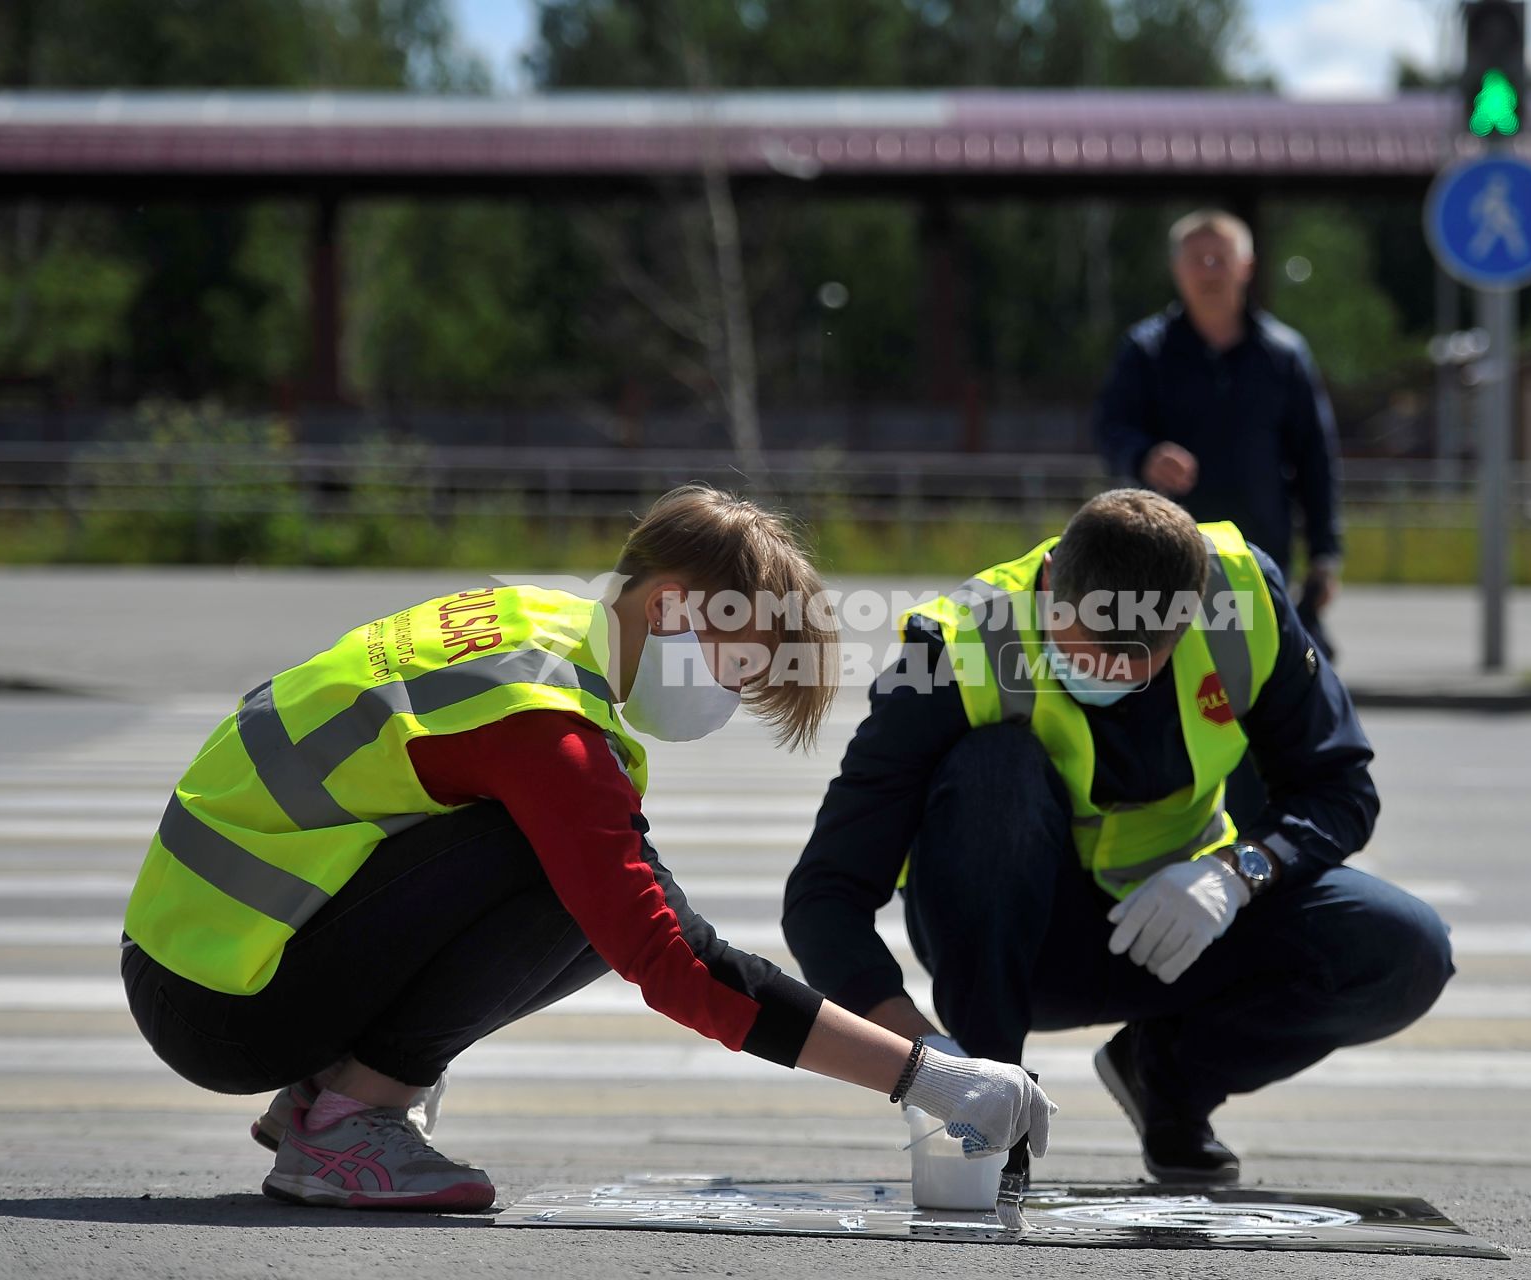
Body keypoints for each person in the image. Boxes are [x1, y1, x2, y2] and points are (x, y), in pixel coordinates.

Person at [120, 484, 1055, 1213]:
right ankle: (351, 1122)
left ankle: (331, 1093)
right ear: (681, 606)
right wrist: (923, 1076)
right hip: (222, 1000)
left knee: (596, 883)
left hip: (209, 957)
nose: (731, 702)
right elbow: (673, 958)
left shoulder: (539, 625)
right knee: (574, 880)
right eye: (740, 670)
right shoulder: (547, 723)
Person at [782, 489, 1450, 1184]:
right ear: (1050, 594)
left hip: (1180, 927)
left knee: (1405, 948)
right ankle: (992, 1113)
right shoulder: (959, 649)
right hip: (1023, 951)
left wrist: (1237, 870)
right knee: (994, 768)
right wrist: (929, 1064)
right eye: (1093, 655)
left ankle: (1167, 1082)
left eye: (1143, 663)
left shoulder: (1242, 601)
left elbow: (1340, 785)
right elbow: (824, 898)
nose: (1115, 678)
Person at [1093, 209, 1344, 663]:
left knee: (1260, 688)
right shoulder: (1145, 351)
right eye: (1196, 259)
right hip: (1161, 562)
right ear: (1176, 269)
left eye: (1220, 258)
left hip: (1261, 561)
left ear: (1246, 266)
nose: (1209, 270)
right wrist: (1144, 455)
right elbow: (1110, 429)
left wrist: (1325, 553)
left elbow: (1316, 458)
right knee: (1170, 693)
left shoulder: (1283, 356)